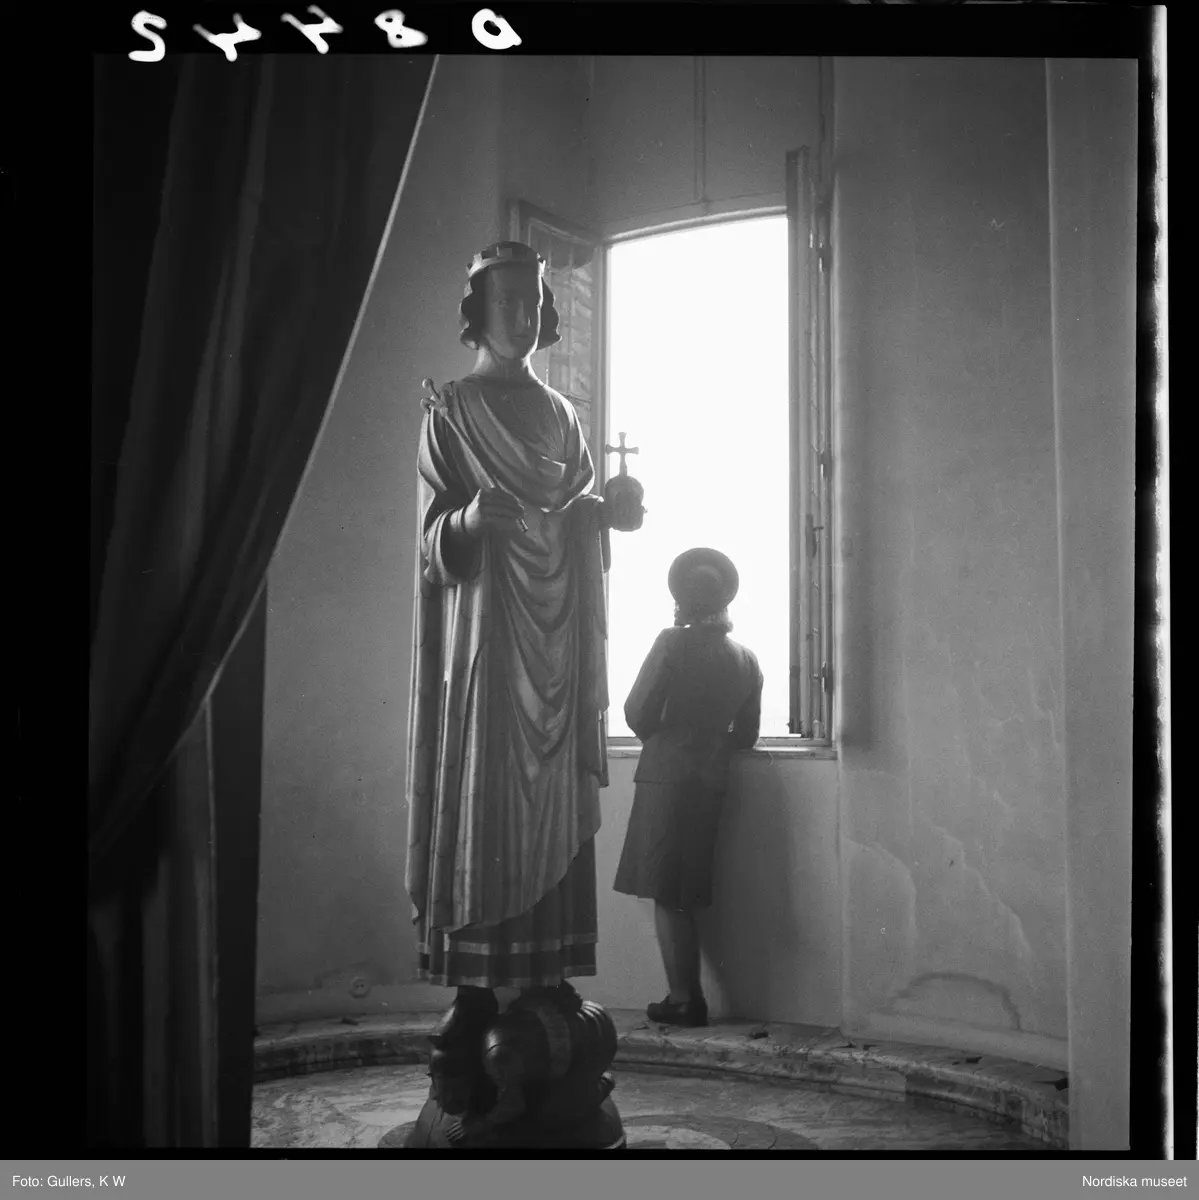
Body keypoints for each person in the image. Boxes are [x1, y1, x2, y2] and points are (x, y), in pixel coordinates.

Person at [405, 241, 643, 1049]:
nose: (522, 316)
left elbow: (571, 510)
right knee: (488, 792)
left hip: (558, 640)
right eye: (505, 301)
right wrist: (470, 519)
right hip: (487, 641)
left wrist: (606, 514)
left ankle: (546, 975)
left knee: (554, 794)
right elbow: (430, 540)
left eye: (534, 302)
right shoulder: (452, 408)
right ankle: (478, 987)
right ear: (477, 311)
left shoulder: (562, 414)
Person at [612, 548, 763, 1028]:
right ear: (723, 600)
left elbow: (636, 710)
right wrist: (708, 743)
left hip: (666, 776)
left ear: (681, 600)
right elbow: (746, 736)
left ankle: (684, 1000)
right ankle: (686, 996)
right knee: (686, 890)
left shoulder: (671, 642)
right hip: (711, 781)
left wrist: (668, 740)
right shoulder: (746, 658)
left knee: (667, 890)